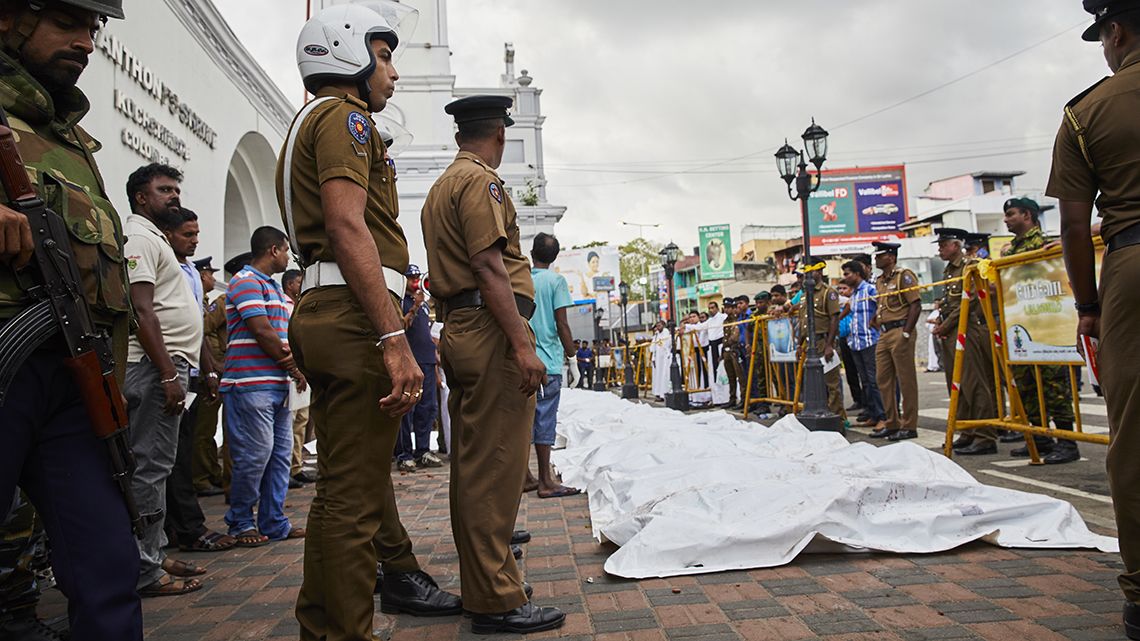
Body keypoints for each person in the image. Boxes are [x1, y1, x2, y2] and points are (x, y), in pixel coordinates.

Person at [282, 6, 461, 638]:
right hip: (355, 320)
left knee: (339, 495)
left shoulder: (318, 119)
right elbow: (347, 223)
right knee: (354, 504)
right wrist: (392, 336)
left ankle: (323, 627)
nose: (391, 73)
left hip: (333, 310)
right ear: (347, 55)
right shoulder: (344, 117)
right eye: (383, 56)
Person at [421, 94, 565, 633]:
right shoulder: (481, 182)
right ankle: (495, 598)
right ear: (500, 135)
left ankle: (490, 583)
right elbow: (488, 265)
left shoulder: (440, 187)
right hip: (488, 332)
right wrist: (523, 345)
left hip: (464, 328)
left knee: (475, 466)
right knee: (497, 470)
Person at [1054, 4, 1140, 636]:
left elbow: (1076, 225)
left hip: (1132, 266)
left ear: (1118, 32)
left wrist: (1088, 305)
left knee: (1135, 436)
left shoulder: (1086, 113)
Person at [122, 164, 208, 597]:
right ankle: (144, 569)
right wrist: (169, 372)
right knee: (149, 468)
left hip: (168, 367)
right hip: (155, 369)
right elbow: (142, 312)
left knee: (158, 466)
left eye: (176, 189)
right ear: (141, 197)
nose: (173, 196)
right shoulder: (139, 237)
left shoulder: (155, 238)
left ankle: (152, 553)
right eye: (163, 190)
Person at [220, 227, 307, 546]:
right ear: (273, 250)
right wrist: (293, 365)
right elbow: (263, 331)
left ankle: (273, 520)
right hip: (248, 382)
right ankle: (241, 521)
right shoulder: (244, 281)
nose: (288, 256)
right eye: (285, 249)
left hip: (276, 386)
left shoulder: (271, 287)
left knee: (280, 455)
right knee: (255, 454)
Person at [155, 209, 235, 555]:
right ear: (168, 234)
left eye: (196, 233)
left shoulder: (186, 270)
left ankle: (183, 524)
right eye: (188, 235)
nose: (195, 240)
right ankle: (183, 527)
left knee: (181, 450)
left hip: (190, 370)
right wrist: (170, 373)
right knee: (167, 456)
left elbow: (196, 325)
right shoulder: (161, 262)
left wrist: (209, 370)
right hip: (167, 369)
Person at [1001, 197, 1080, 463]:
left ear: (1027, 215)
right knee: (1027, 387)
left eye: (1011, 214)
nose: (1006, 220)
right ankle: (1039, 439)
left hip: (1048, 328)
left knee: (1053, 386)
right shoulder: (1010, 252)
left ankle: (1067, 442)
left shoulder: (1045, 245)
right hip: (1021, 329)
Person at [930, 228, 999, 455]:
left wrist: (945, 325)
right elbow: (948, 302)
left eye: (943, 245)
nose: (940, 249)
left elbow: (967, 303)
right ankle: (967, 429)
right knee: (957, 385)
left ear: (955, 245)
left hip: (967, 329)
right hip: (951, 330)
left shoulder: (971, 265)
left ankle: (984, 435)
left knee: (974, 384)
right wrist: (941, 324)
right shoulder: (949, 270)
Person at [525, 233, 581, 499]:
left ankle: (525, 475)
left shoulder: (523, 279)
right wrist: (572, 358)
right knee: (545, 420)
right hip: (548, 362)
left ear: (532, 252)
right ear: (555, 256)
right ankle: (546, 479)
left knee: (524, 420)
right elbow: (562, 324)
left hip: (523, 360)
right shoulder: (556, 281)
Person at [394, 264, 444, 473]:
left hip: (427, 361)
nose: (415, 281)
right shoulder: (401, 302)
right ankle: (404, 454)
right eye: (411, 277)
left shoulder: (424, 303)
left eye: (416, 277)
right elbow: (402, 326)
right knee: (408, 409)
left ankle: (422, 450)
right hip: (410, 361)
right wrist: (414, 307)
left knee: (428, 408)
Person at [870, 242, 922, 441]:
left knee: (906, 379)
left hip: (901, 330)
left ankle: (909, 425)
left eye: (880, 255)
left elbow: (915, 305)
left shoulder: (904, 276)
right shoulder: (880, 280)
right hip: (884, 333)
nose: (876, 258)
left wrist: (907, 333)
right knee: (883, 379)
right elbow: (882, 305)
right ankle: (892, 422)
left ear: (891, 257)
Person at [192, 256, 231, 497]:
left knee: (210, 427)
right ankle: (201, 478)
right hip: (209, 371)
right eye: (209, 274)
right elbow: (202, 330)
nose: (213, 279)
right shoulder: (220, 303)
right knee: (203, 429)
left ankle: (211, 473)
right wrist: (213, 367)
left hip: (217, 369)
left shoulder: (206, 302)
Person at [796, 257, 845, 418]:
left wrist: (830, 345)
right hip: (808, 345)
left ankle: (837, 416)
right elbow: (802, 322)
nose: (806, 276)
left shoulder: (828, 293)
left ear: (819, 271)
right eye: (805, 273)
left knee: (831, 382)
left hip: (823, 341)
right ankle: (818, 414)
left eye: (810, 272)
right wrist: (799, 344)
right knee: (811, 383)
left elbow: (834, 318)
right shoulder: (804, 295)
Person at [281, 268, 315, 487]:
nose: (301, 285)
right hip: (289, 371)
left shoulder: (299, 306)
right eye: (299, 282)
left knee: (301, 421)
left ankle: (297, 465)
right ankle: (287, 468)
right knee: (290, 422)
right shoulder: (283, 305)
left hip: (302, 370)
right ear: (290, 284)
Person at [841, 260, 885, 430]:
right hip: (856, 343)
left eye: (847, 274)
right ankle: (873, 413)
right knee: (865, 381)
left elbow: (882, 305)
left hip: (870, 341)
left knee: (875, 381)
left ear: (857, 274)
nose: (845, 277)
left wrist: (876, 321)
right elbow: (849, 310)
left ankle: (883, 416)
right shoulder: (854, 295)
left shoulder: (870, 290)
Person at [650, 321, 672, 401]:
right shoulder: (656, 335)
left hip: (665, 358)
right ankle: (658, 393)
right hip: (658, 358)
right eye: (657, 326)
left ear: (663, 325)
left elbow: (666, 345)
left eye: (659, 325)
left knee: (664, 375)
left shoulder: (666, 333)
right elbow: (652, 347)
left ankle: (664, 393)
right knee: (658, 376)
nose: (658, 327)